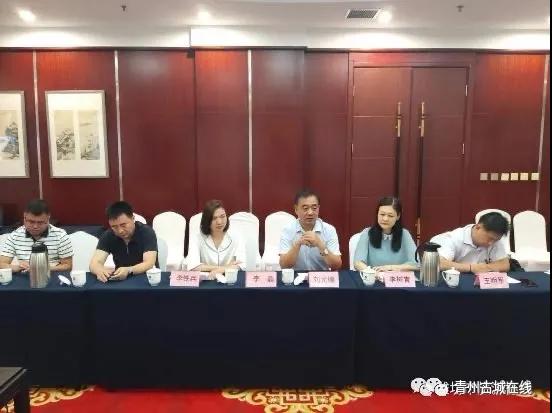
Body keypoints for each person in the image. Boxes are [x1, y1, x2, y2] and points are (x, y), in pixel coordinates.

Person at [89, 201, 157, 282]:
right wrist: (99, 270)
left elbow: (149, 263)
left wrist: (129, 270)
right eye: (114, 227)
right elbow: (94, 263)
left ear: (133, 218)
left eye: (123, 225)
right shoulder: (109, 235)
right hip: (120, 279)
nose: (120, 231)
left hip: (146, 278)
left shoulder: (146, 232)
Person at [0, 199, 73, 272]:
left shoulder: (60, 235)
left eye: (40, 222)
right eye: (31, 222)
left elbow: (68, 266)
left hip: (52, 274)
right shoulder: (15, 235)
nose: (35, 226)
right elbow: (1, 264)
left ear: (48, 219)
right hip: (25, 275)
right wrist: (18, 267)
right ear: (24, 217)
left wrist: (45, 268)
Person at [279, 189, 342, 271]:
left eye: (314, 208)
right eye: (305, 208)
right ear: (296, 209)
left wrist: (320, 244)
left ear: (318, 208)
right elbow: (284, 265)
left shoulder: (329, 230)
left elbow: (337, 265)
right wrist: (297, 244)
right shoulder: (287, 230)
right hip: (296, 276)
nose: (310, 213)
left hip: (321, 276)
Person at [353, 196, 417, 272]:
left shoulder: (405, 234)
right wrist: (371, 272)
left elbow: (417, 264)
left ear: (398, 216)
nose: (385, 219)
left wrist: (391, 267)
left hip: (397, 278)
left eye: (390, 216)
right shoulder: (367, 233)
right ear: (377, 214)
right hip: (374, 277)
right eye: (382, 214)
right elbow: (358, 262)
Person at [431, 212, 510, 273]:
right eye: (489, 239)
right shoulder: (453, 238)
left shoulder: (494, 239)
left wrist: (485, 268)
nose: (491, 243)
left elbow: (505, 264)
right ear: (478, 227)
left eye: (496, 240)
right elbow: (438, 263)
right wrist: (471, 268)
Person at [186, 200, 246, 278]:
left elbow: (242, 263)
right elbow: (192, 265)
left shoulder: (235, 235)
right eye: (214, 218)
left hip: (229, 279)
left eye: (222, 216)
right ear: (207, 221)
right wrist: (223, 268)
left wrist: (222, 270)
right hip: (207, 279)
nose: (219, 222)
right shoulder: (197, 237)